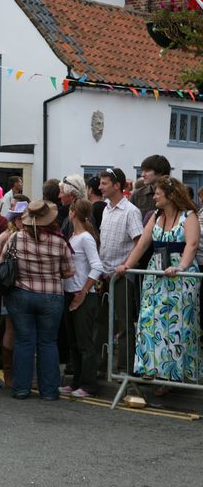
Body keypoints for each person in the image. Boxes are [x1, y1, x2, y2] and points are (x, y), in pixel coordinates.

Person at [116, 177, 201, 390]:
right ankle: (152, 368)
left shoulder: (189, 216)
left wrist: (181, 267)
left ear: (171, 195)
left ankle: (174, 374)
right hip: (156, 275)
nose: (154, 197)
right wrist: (127, 265)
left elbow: (191, 245)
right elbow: (142, 244)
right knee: (150, 321)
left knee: (176, 326)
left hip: (181, 278)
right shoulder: (156, 216)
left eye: (157, 193)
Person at [7, 200, 74, 400]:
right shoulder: (59, 241)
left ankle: (21, 389)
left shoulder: (15, 238)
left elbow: (2, 262)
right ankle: (49, 391)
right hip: (51, 296)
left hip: (21, 293)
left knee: (23, 340)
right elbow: (69, 271)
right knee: (48, 342)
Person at [96, 167, 143, 372]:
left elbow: (139, 243)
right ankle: (101, 367)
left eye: (104, 183)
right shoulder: (106, 208)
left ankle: (125, 370)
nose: (100, 187)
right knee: (102, 322)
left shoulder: (131, 211)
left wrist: (126, 266)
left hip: (122, 276)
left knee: (124, 324)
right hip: (105, 275)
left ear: (117, 186)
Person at [59, 199, 103, 398]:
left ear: (73, 213)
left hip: (82, 294)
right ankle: (77, 381)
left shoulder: (86, 238)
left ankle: (89, 384)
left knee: (84, 343)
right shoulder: (74, 236)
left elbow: (97, 266)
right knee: (74, 342)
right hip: (70, 292)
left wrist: (84, 291)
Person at [0, 200, 28, 386]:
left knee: (19, 330)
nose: (22, 221)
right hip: (14, 288)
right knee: (12, 329)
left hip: (17, 288)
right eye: (20, 218)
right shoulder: (9, 237)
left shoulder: (9, 236)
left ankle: (16, 372)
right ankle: (9, 372)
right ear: (15, 220)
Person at [131, 155, 171, 220]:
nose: (142, 175)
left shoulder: (175, 194)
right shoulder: (137, 195)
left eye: (147, 171)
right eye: (142, 171)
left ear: (160, 171)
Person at [58, 175, 87, 239]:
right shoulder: (82, 210)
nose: (59, 196)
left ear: (71, 195)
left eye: (61, 192)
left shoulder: (76, 215)